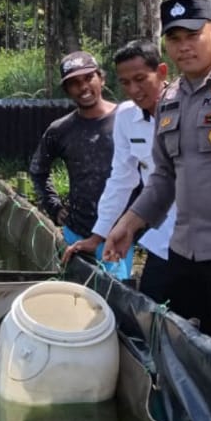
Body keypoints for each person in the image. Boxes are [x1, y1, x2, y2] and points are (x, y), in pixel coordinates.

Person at [101, 0, 211, 339]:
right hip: (182, 252)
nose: (184, 47)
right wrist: (127, 226)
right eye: (174, 39)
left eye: (193, 35)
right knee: (179, 351)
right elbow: (163, 178)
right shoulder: (171, 98)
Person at [63, 37, 176, 301]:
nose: (134, 90)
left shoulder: (188, 107)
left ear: (160, 72)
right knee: (152, 311)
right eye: (125, 83)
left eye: (140, 79)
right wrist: (98, 235)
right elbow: (121, 179)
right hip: (161, 236)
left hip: (206, 237)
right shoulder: (126, 117)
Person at [28, 51, 131, 280]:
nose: (83, 87)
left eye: (88, 78)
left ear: (101, 79)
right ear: (67, 90)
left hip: (119, 234)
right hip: (76, 231)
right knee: (74, 299)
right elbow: (38, 170)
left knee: (116, 300)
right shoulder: (60, 130)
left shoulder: (128, 119)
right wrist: (54, 208)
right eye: (74, 83)